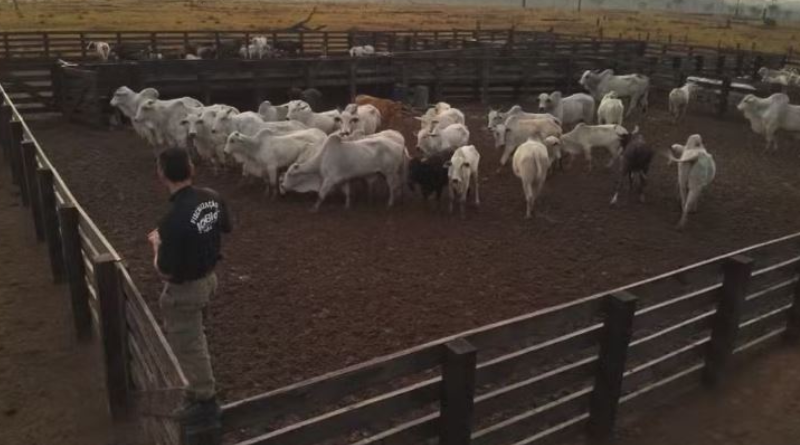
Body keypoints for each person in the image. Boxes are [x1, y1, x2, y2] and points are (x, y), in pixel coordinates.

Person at [147, 148, 231, 405]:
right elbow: (225, 227)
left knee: (189, 344)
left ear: (162, 174)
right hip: (209, 279)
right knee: (196, 330)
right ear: (191, 169)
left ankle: (203, 396)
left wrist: (156, 244)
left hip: (185, 290)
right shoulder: (213, 197)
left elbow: (165, 270)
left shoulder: (171, 221)